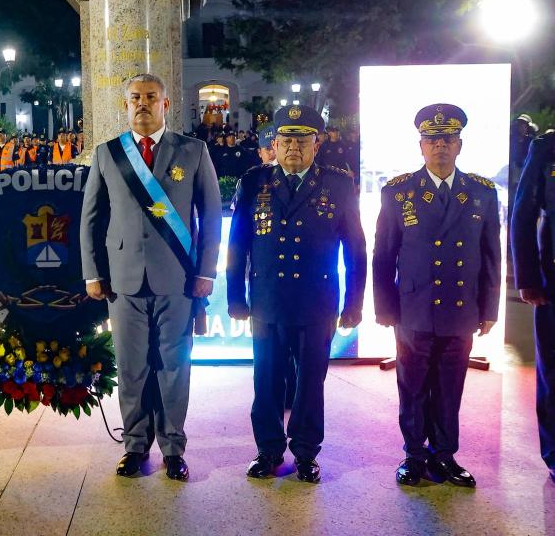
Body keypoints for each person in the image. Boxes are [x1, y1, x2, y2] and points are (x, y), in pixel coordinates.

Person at [80, 73, 222, 481]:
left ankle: (173, 448)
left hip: (178, 279)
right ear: (125, 105)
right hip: (122, 281)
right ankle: (135, 446)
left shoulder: (192, 151)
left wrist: (206, 272)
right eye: (135, 97)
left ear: (165, 104)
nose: (142, 103)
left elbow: (211, 215)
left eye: (150, 97)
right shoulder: (108, 154)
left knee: (174, 366)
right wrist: (92, 272)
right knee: (131, 367)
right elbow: (91, 219)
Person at [227, 105, 366, 483]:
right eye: (286, 140)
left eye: (302, 141)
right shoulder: (254, 182)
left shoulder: (338, 184)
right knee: (266, 380)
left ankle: (306, 453)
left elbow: (355, 249)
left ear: (316, 144)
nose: (293, 148)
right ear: (274, 144)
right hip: (267, 300)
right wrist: (235, 297)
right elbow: (238, 244)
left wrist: (354, 303)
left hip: (316, 301)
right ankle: (268, 450)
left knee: (310, 383)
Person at [373, 103, 500, 487]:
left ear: (459, 145)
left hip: (461, 309)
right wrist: (384, 307)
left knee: (450, 386)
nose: (440, 146)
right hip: (413, 307)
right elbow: (384, 255)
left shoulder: (481, 192)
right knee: (412, 386)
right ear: (421, 146)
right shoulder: (398, 192)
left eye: (447, 139)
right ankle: (414, 455)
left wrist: (489, 308)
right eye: (432, 140)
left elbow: (491, 255)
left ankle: (444, 456)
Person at [510, 130, 555, 485]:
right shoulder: (547, 147)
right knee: (553, 373)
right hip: (553, 284)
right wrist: (527, 278)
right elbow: (523, 214)